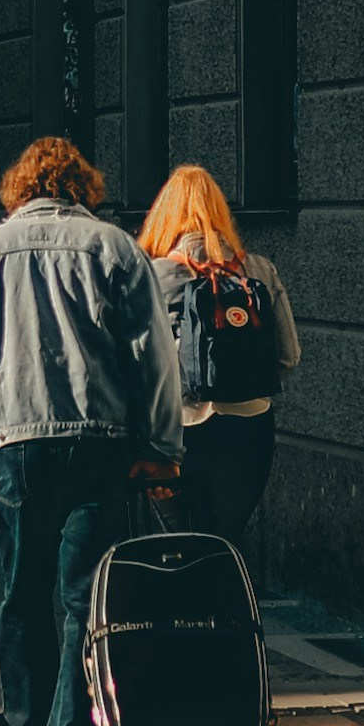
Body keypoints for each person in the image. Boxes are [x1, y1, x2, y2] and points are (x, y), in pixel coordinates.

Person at [0, 135, 182, 726]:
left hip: (11, 444)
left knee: (20, 587)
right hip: (99, 442)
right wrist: (160, 446)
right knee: (85, 594)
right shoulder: (116, 249)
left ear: (18, 189)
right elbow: (155, 358)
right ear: (83, 187)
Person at [138, 164, 301, 547]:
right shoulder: (258, 269)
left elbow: (136, 364)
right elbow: (288, 355)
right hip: (249, 428)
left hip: (175, 431)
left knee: (181, 544)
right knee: (224, 543)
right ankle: (224, 602)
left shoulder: (152, 275)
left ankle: (186, 602)